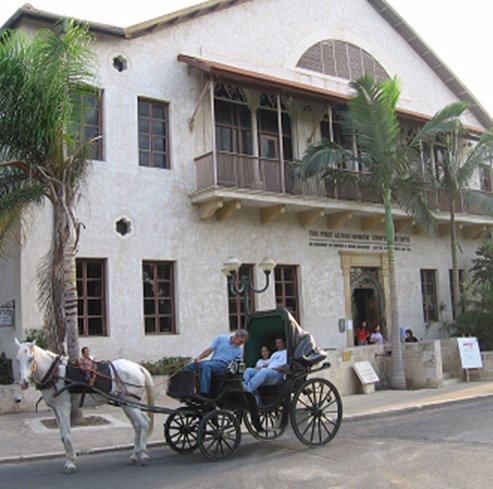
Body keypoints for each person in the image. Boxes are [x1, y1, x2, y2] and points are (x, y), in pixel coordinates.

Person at [184, 329, 249, 398]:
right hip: (213, 362)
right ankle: (187, 390)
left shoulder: (239, 351)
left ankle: (204, 392)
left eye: (243, 342)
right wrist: (199, 357)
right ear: (236, 337)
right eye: (241, 341)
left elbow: (236, 364)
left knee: (207, 366)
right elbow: (210, 350)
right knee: (189, 367)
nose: (241, 344)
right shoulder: (221, 339)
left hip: (223, 365)